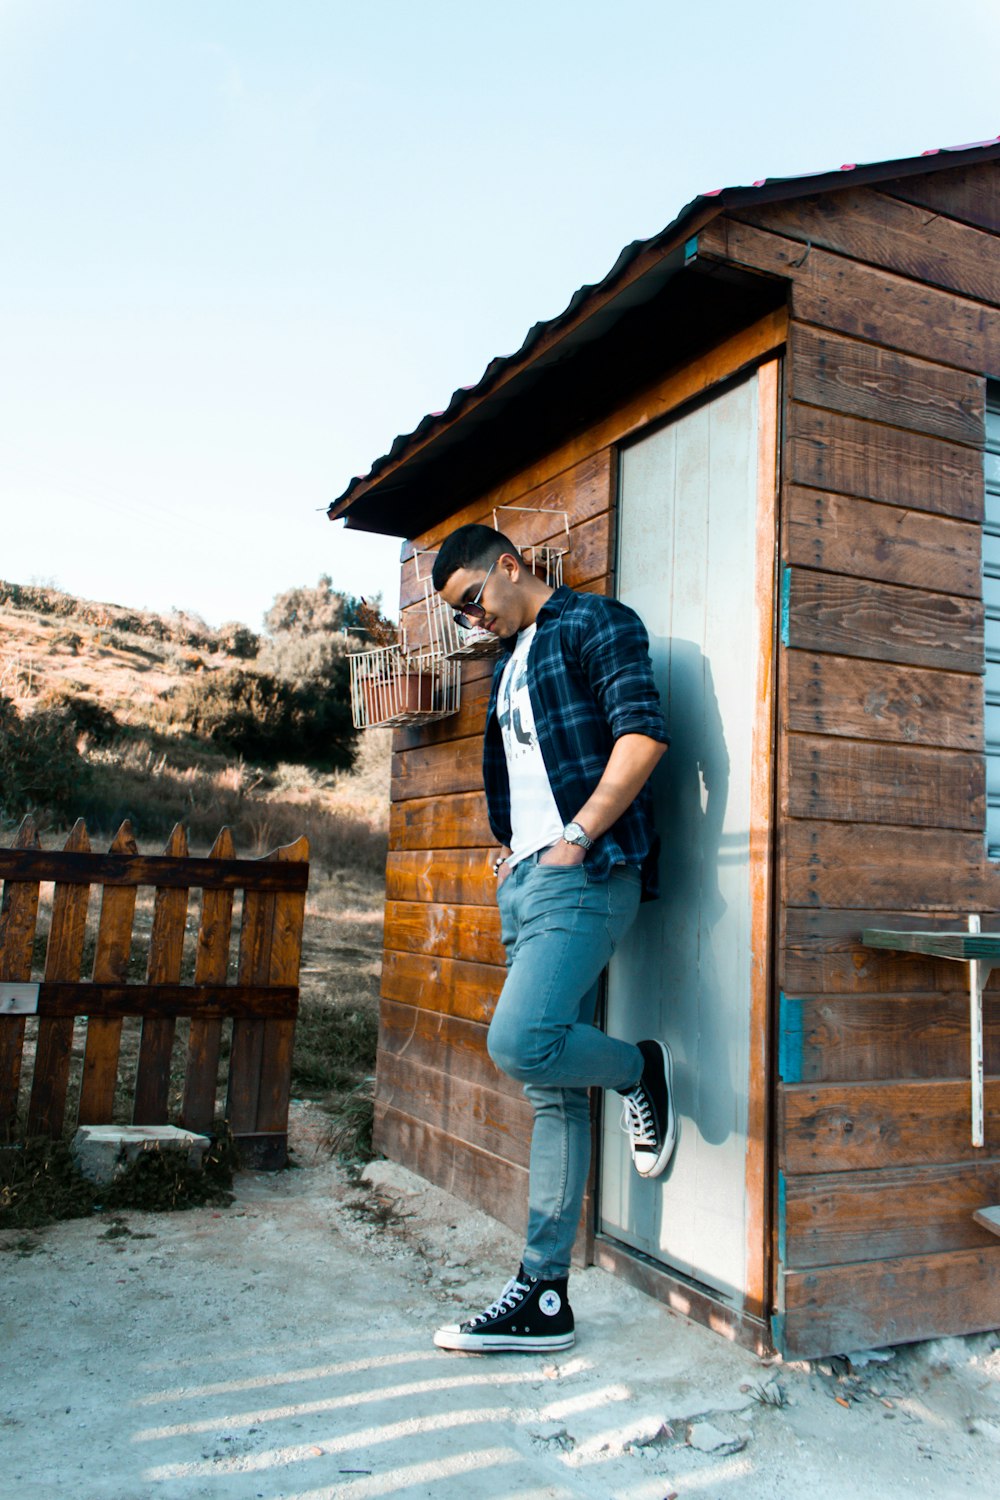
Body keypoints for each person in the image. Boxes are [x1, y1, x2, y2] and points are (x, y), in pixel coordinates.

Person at [429, 523, 676, 1354]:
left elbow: (640, 735)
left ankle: (639, 1067)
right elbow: (523, 776)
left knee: (524, 1042)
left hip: (587, 869)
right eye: (459, 616)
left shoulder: (595, 623)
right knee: (549, 1089)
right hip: (526, 879)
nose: (473, 621)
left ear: (508, 566)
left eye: (473, 601)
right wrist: (515, 851)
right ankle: (544, 1295)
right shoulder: (503, 666)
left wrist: (575, 836)